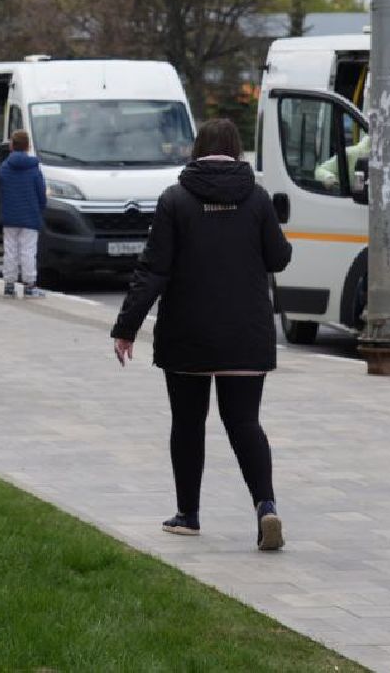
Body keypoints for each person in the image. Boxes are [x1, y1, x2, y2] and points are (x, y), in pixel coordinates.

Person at [110, 118, 294, 551]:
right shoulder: (257, 198)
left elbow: (153, 270)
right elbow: (279, 258)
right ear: (236, 149)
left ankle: (188, 514)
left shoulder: (175, 199)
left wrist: (126, 327)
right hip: (246, 334)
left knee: (188, 423)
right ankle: (266, 506)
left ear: (197, 149)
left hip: (187, 333)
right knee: (244, 422)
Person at [0, 129, 47, 298]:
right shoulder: (34, 168)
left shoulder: (4, 167)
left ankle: (9, 285)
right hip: (30, 216)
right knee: (28, 250)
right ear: (28, 146)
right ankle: (29, 286)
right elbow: (41, 194)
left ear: (12, 146)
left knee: (10, 250)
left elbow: (1, 190)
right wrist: (40, 208)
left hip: (10, 216)